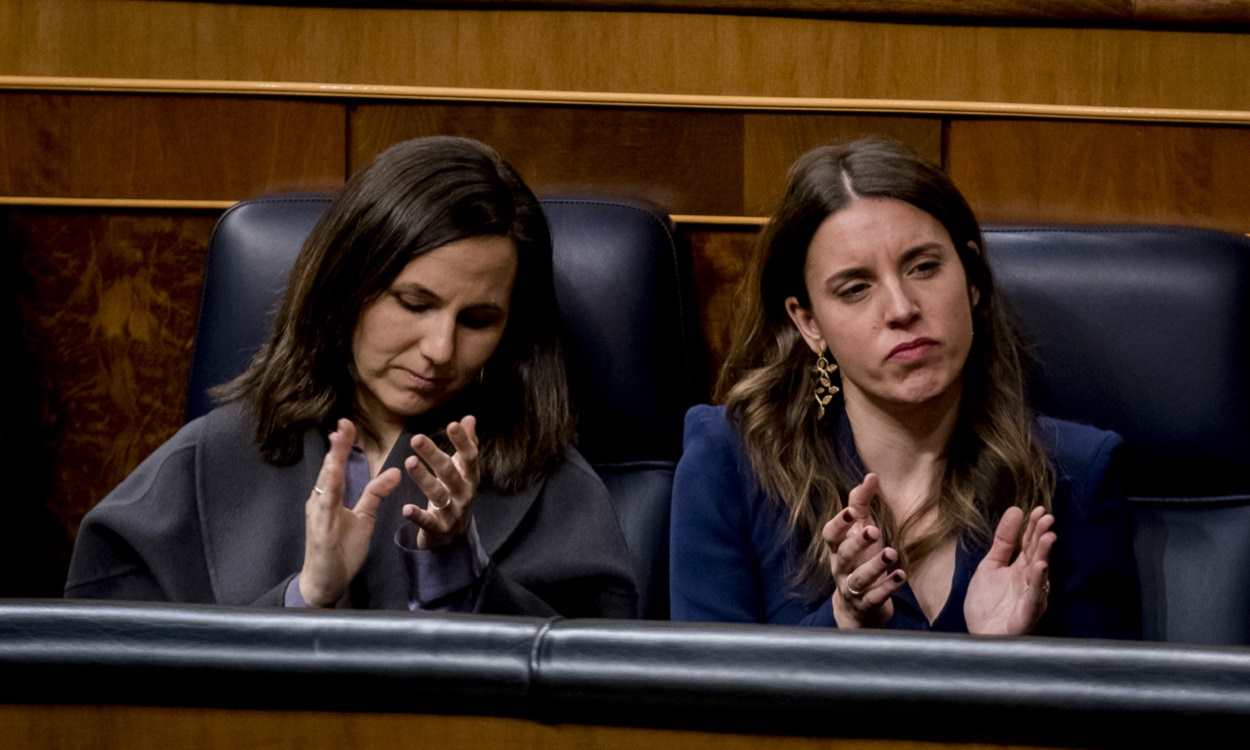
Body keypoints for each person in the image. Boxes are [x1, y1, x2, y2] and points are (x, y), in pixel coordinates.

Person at [66, 136, 639, 618]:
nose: (440, 350)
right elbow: (111, 670)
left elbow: (605, 691)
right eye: (414, 304)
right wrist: (306, 596)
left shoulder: (552, 483)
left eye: (478, 319)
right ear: (345, 290)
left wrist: (460, 574)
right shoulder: (211, 456)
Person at [670, 138, 1139, 637]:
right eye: (855, 288)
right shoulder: (731, 462)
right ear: (809, 323)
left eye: (924, 267)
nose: (901, 309)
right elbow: (710, 705)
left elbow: (1110, 709)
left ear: (972, 280)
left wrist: (1005, 659)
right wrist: (843, 623)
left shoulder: (1074, 475)